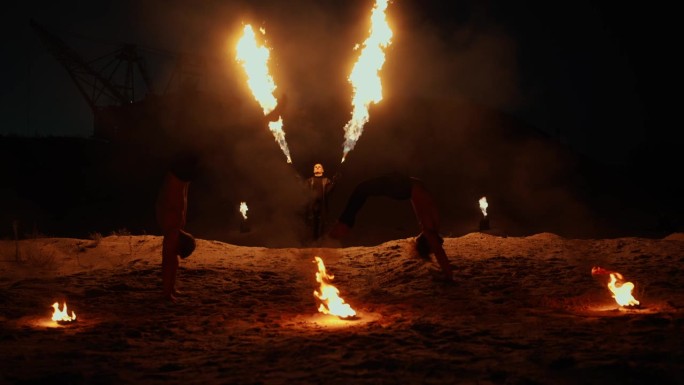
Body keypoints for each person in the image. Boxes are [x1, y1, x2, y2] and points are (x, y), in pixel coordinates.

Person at [328, 172, 454, 281]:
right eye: (417, 239)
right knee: (362, 189)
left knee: (362, 189)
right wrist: (448, 275)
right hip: (403, 186)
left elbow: (437, 249)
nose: (416, 236)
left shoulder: (432, 226)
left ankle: (344, 223)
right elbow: (438, 251)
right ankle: (344, 223)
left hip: (405, 185)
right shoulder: (429, 229)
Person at [156, 151, 199, 302]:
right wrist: (170, 290)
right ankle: (168, 291)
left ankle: (168, 292)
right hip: (182, 174)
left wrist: (168, 293)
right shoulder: (176, 225)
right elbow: (172, 261)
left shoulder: (173, 229)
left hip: (181, 173)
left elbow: (169, 263)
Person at [305, 163, 338, 241]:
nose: (317, 168)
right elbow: (305, 190)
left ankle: (321, 243)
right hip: (312, 206)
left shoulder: (326, 181)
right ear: (313, 170)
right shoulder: (310, 181)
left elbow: (328, 192)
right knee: (312, 225)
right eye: (315, 167)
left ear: (322, 170)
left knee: (322, 225)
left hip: (322, 206)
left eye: (319, 167)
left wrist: (334, 182)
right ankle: (312, 243)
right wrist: (299, 181)